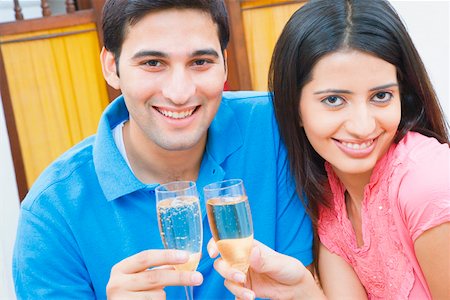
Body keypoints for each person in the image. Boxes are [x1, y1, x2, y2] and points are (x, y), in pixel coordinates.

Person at [12, 0, 314, 299]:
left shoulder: (274, 128)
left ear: (224, 64)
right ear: (111, 67)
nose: (179, 93)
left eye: (200, 62)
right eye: (152, 63)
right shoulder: (52, 215)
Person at [209, 0, 450, 299]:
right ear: (294, 108)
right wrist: (302, 291)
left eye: (381, 95)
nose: (362, 126)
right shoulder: (331, 195)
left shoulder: (429, 185)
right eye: (334, 100)